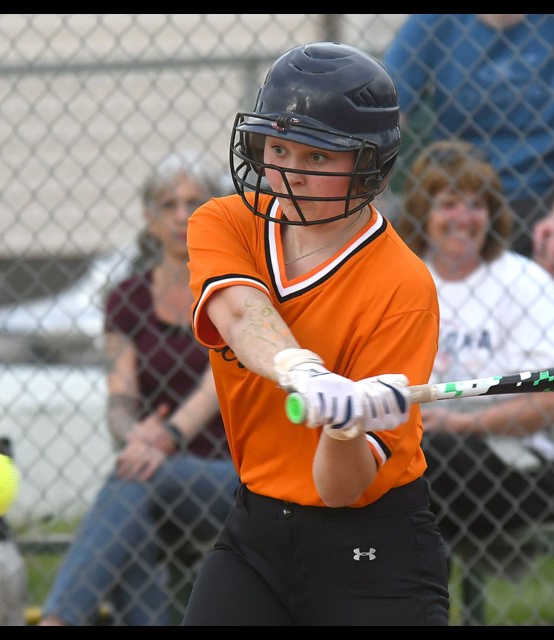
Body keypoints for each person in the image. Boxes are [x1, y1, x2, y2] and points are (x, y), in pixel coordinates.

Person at [182, 41, 450, 626]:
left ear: (368, 168)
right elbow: (239, 313)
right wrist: (305, 372)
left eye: (318, 158)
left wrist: (346, 425)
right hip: (255, 533)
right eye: (278, 148)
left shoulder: (403, 286)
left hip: (374, 549)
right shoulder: (225, 222)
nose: (288, 173)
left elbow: (340, 489)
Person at [395, 140, 554, 603]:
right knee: (408, 474)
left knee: (420, 465)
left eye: (476, 204)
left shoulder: (525, 283)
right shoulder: (402, 282)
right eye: (448, 204)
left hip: (526, 465)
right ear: (423, 210)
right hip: (426, 462)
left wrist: (459, 424)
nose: (463, 217)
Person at [39, 151, 239, 626]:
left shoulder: (234, 289)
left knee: (136, 478)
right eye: (167, 204)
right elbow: (120, 396)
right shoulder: (126, 298)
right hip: (153, 467)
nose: (180, 216)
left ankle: (58, 620)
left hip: (231, 475)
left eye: (194, 202)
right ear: (149, 218)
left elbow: (216, 386)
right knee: (133, 508)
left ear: (215, 211)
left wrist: (161, 438)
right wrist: (135, 436)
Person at [382, 14, 554, 332]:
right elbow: (385, 112)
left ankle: (549, 351)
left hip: (551, 191)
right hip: (463, 188)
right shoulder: (433, 21)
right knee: (381, 241)